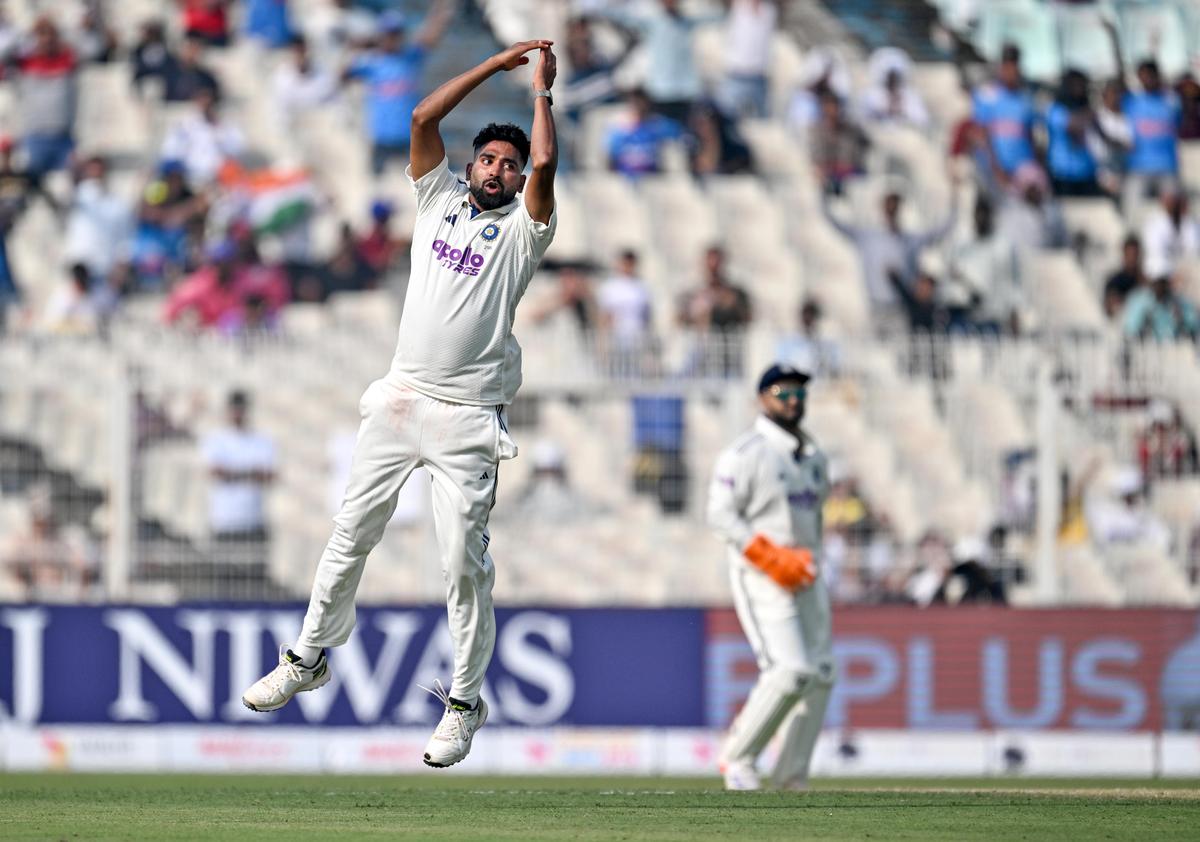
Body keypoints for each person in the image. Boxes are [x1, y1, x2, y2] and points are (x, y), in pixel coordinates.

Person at [241, 40, 560, 771]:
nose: (499, 170)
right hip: (398, 399)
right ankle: (308, 656)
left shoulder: (523, 234)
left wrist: (540, 93)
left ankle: (463, 702)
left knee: (461, 567)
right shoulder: (437, 196)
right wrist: (495, 65)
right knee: (349, 534)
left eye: (508, 166)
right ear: (472, 166)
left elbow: (546, 167)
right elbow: (421, 115)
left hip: (467, 417)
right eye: (489, 160)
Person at [707, 363, 833, 791]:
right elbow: (720, 515)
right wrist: (770, 556)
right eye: (783, 392)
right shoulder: (746, 453)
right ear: (762, 397)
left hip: (806, 573)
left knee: (821, 673)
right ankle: (737, 759)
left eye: (800, 392)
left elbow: (812, 518)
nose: (793, 400)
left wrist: (806, 563)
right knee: (789, 671)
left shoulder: (814, 456)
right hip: (762, 574)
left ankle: (790, 776)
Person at [822, 187, 957, 334]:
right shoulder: (868, 237)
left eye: (895, 205)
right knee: (875, 354)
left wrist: (955, 195)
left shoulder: (910, 241)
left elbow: (942, 230)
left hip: (900, 310)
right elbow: (834, 222)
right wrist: (822, 189)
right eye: (888, 204)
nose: (891, 209)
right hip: (875, 308)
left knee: (901, 352)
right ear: (882, 207)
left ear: (900, 208)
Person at [342, 1, 455, 175]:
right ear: (381, 36)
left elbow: (430, 36)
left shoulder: (411, 57)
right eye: (388, 34)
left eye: (396, 33)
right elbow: (342, 75)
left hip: (409, 138)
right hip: (381, 139)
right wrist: (357, 47)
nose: (392, 38)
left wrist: (441, 10)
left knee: (416, 185)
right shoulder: (372, 62)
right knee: (376, 186)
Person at [201, 391, 276, 590]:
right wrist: (250, 473)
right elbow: (215, 472)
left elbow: (269, 476)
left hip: (252, 522)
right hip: (224, 522)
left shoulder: (261, 440)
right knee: (223, 582)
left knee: (254, 583)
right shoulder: (217, 439)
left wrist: (233, 474)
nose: (237, 414)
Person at [971, 44, 1036, 182]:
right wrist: (996, 169)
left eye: (1014, 67)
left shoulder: (1026, 98)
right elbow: (982, 136)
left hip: (1021, 172)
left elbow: (1030, 135)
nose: (1011, 72)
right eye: (1007, 67)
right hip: (993, 173)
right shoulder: (987, 96)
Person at [606, 88, 686, 178]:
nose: (638, 106)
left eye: (641, 102)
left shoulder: (660, 125)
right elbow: (610, 158)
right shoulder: (618, 129)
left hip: (653, 178)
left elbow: (679, 135)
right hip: (625, 179)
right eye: (634, 103)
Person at [1103, 234, 1145, 319]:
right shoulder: (1114, 281)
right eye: (1129, 254)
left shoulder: (1144, 281)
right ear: (1124, 253)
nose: (1132, 258)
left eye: (1135, 254)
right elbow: (1110, 309)